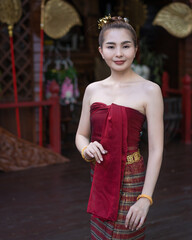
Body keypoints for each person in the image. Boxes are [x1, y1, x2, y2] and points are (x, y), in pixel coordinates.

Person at [75, 15, 164, 240]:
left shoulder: (150, 90)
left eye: (126, 46)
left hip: (131, 178)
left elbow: (156, 150)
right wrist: (86, 150)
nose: (118, 53)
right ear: (101, 51)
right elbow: (80, 135)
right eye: (111, 46)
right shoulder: (93, 90)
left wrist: (145, 198)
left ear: (135, 49)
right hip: (100, 174)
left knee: (126, 234)